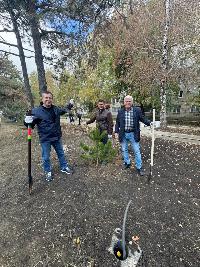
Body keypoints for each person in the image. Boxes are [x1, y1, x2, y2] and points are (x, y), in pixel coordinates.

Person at [24, 91, 71, 182]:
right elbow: (30, 125)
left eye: (50, 98)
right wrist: (27, 121)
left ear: (52, 99)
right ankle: (47, 171)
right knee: (46, 157)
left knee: (61, 153)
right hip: (45, 139)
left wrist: (70, 105)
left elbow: (63, 110)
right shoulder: (36, 111)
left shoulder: (55, 109)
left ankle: (64, 167)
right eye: (46, 98)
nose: (48, 100)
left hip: (56, 137)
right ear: (42, 99)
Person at [115, 95, 151, 176]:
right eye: (126, 101)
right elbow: (117, 122)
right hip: (123, 133)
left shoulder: (137, 110)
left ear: (132, 102)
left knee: (136, 151)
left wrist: (150, 123)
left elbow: (142, 118)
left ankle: (139, 167)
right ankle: (127, 163)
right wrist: (116, 132)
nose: (128, 102)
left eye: (129, 101)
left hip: (133, 134)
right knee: (124, 149)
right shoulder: (120, 111)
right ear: (124, 102)